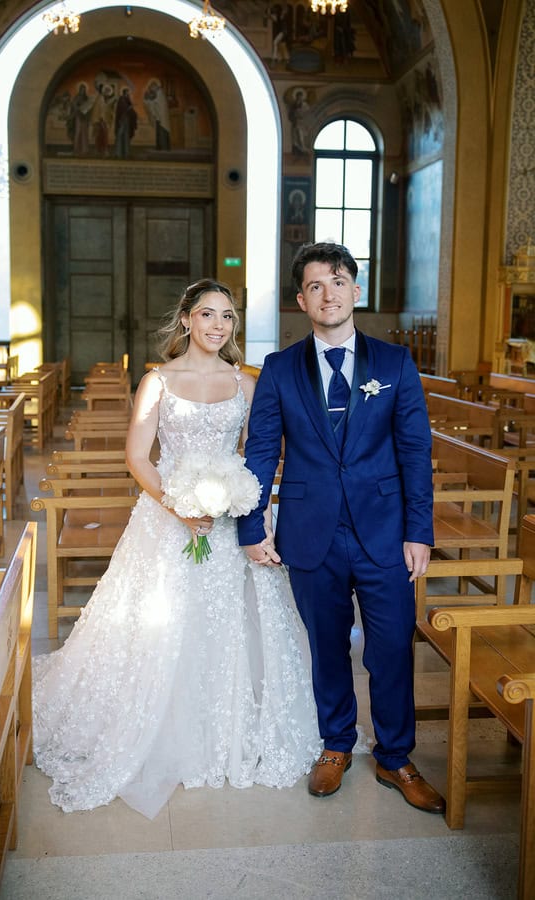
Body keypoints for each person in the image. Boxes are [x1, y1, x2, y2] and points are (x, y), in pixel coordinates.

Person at [32, 278, 321, 819]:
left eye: (228, 317)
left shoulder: (246, 383)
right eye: (208, 314)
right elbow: (139, 457)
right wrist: (178, 504)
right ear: (186, 319)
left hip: (230, 519)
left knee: (238, 624)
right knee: (161, 624)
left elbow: (257, 452)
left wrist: (239, 496)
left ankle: (233, 727)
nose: (218, 325)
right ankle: (159, 727)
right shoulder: (157, 382)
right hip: (169, 520)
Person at [238, 242, 445, 815]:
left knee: (390, 648)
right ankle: (336, 746)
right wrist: (252, 526)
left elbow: (414, 449)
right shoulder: (280, 369)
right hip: (310, 530)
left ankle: (396, 756)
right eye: (314, 286)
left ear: (356, 289)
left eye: (338, 281)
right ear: (301, 300)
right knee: (326, 647)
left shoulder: (394, 363)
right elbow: (259, 454)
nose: (328, 294)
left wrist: (419, 530)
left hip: (385, 531)